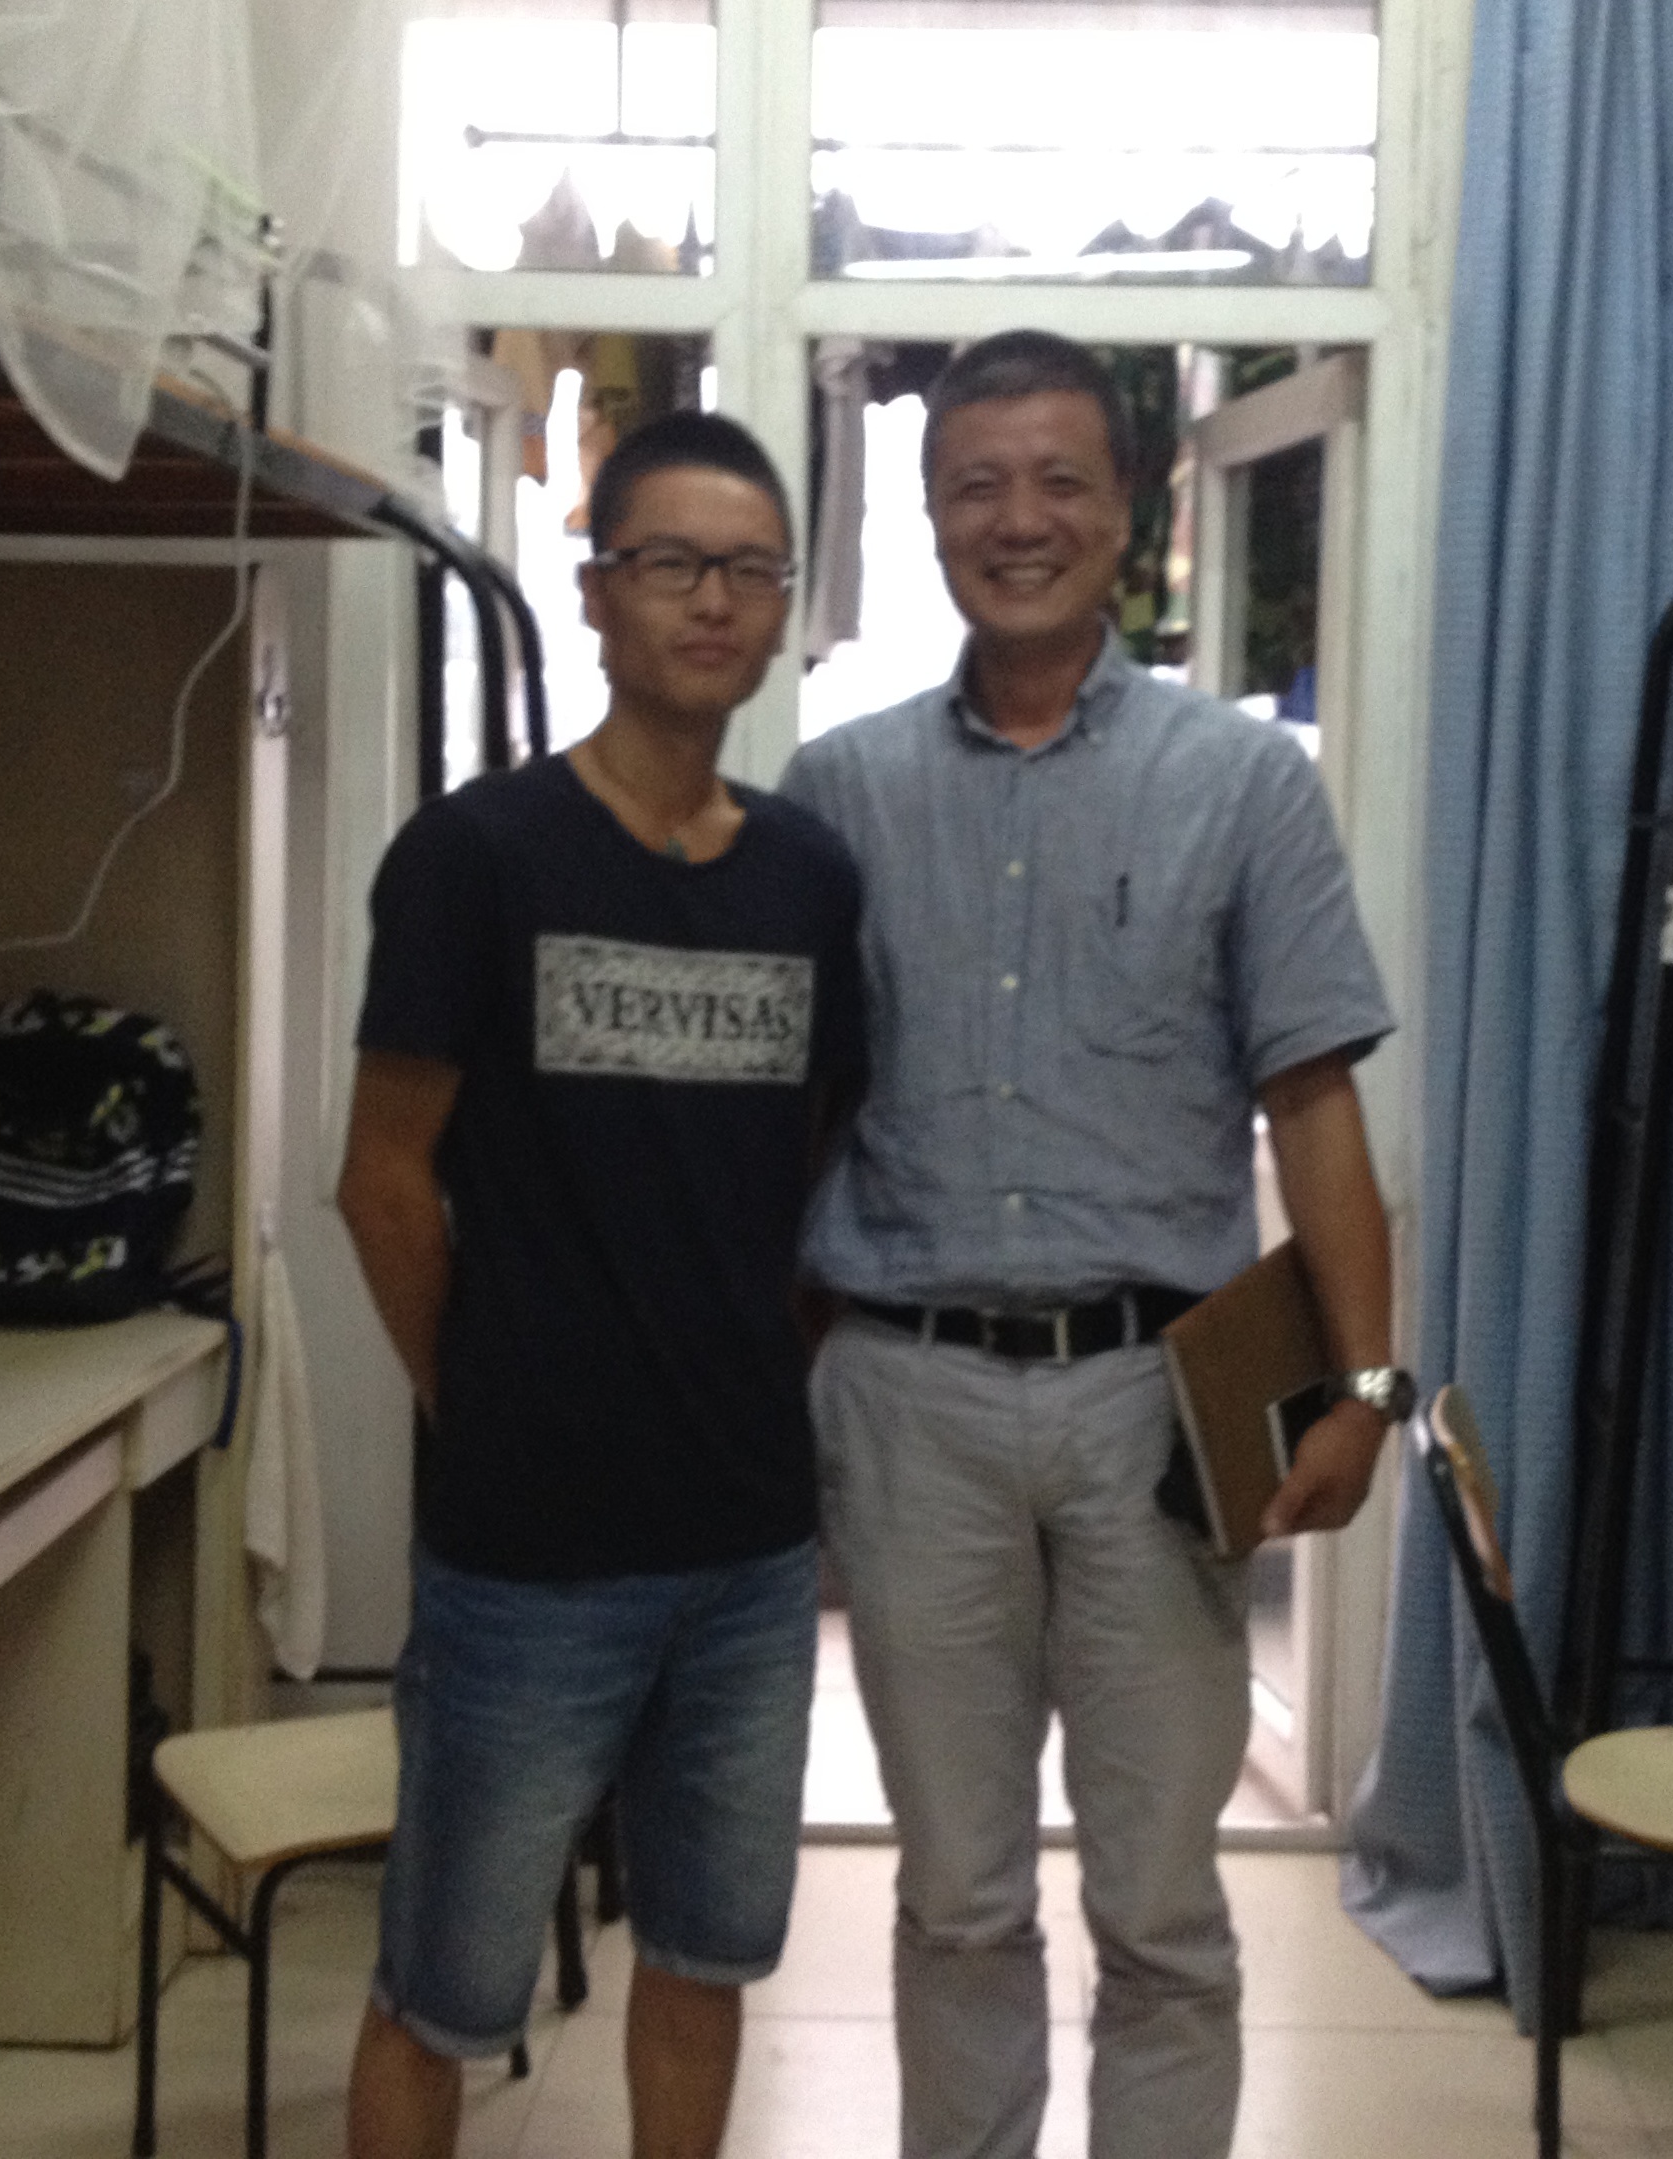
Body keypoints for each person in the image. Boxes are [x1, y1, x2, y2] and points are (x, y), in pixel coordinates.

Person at [776, 330, 1404, 2159]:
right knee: (956, 1895)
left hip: (1157, 1407)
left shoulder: (1243, 784)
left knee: (1163, 1905)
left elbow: (1315, 1106)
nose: (1019, 519)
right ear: (928, 514)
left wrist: (1362, 1389)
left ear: (1130, 512)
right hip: (910, 1400)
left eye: (1061, 481)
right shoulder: (839, 790)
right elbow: (789, 1117)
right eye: (977, 484)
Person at [338, 409, 866, 2159]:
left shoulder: (808, 879)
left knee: (707, 1957)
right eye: (672, 564)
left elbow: (808, 1173)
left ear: (781, 607)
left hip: (750, 1544)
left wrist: (738, 1359)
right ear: (597, 592)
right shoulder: (478, 857)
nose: (712, 601)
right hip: (527, 1554)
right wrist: (485, 1390)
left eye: (750, 571)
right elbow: (381, 1179)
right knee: (443, 1988)